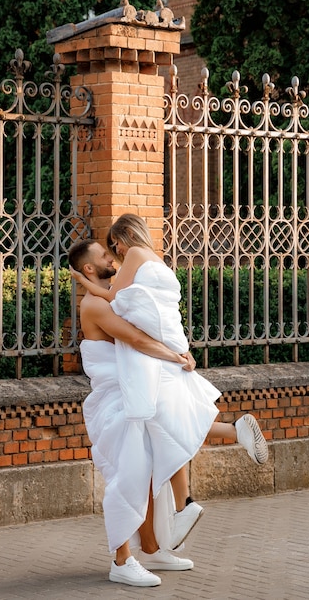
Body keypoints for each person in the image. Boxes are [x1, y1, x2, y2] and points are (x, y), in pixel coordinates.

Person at [70, 215, 268, 527]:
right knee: (172, 419)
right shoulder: (153, 260)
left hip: (156, 351)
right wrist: (176, 349)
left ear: (126, 235)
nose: (114, 251)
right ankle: (185, 501)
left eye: (114, 244)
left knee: (166, 421)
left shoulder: (133, 257)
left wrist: (81, 282)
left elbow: (119, 304)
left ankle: (185, 503)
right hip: (167, 339)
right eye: (107, 252)